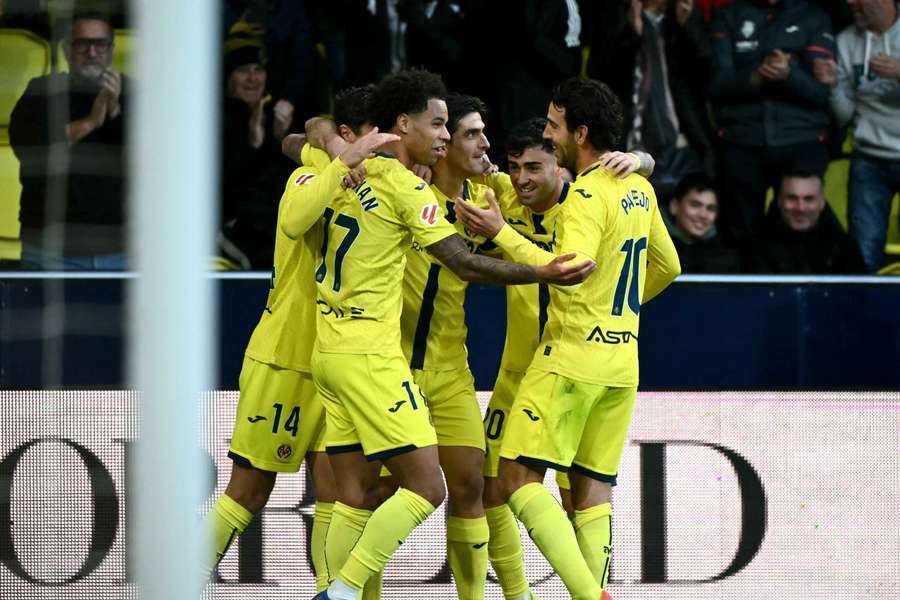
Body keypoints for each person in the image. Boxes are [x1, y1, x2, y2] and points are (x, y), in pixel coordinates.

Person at [288, 69, 594, 600]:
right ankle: (340, 590)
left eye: (469, 131)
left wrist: (636, 161)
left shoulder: (492, 190)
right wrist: (332, 135)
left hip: (442, 366)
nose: (467, 141)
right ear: (413, 129)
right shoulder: (407, 187)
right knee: (368, 490)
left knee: (472, 484)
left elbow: (556, 188)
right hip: (385, 361)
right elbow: (303, 133)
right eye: (455, 130)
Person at [456, 77, 681, 600]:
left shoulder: (584, 195)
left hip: (571, 356)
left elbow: (568, 269)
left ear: (580, 133)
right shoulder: (639, 188)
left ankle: (589, 595)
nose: (548, 133)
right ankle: (593, 589)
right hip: (622, 361)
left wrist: (500, 236)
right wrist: (614, 309)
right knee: (593, 492)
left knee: (513, 478)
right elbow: (668, 266)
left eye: (555, 126)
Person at [199, 89, 401, 591]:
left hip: (337, 361)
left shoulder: (380, 182)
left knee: (338, 495)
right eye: (379, 136)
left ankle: (329, 591)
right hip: (285, 357)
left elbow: (306, 129)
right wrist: (332, 152)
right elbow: (305, 142)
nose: (388, 145)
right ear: (352, 137)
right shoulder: (312, 174)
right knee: (248, 490)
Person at [708, 0, 835, 245]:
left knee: (804, 227)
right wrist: (754, 76)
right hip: (741, 139)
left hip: (802, 139)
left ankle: (806, 284)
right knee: (740, 233)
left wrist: (790, 76)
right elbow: (713, 86)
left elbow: (822, 94)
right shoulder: (729, 15)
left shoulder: (814, 16)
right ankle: (746, 283)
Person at [9, 11, 129, 269]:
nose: (92, 53)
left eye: (100, 44)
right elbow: (28, 149)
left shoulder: (135, 93)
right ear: (65, 50)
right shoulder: (41, 91)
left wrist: (116, 111)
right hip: (49, 252)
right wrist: (90, 123)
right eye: (83, 44)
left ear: (112, 49)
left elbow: (156, 163)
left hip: (122, 252)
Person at [586, 0, 714, 199]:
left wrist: (686, 29)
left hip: (683, 142)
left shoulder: (686, 11)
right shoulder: (615, 12)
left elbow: (706, 76)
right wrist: (632, 31)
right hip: (630, 141)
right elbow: (598, 74)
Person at [813, 0, 900, 272]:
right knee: (863, 252)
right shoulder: (846, 41)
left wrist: (899, 73)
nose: (850, 2)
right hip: (869, 158)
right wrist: (831, 87)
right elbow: (844, 115)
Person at [219, 35, 296, 269]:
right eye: (243, 70)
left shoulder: (277, 115)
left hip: (278, 220)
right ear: (229, 77)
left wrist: (281, 138)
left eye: (258, 69)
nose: (253, 78)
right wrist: (253, 142)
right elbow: (229, 180)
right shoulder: (216, 117)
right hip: (235, 225)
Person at [745, 170, 867, 273]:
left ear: (822, 203)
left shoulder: (845, 249)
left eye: (809, 199)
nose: (800, 208)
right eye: (792, 198)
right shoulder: (758, 247)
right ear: (779, 201)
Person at [666, 173, 740, 272]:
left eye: (711, 208)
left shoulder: (726, 257)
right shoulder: (651, 248)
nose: (703, 215)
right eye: (695, 205)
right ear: (674, 206)